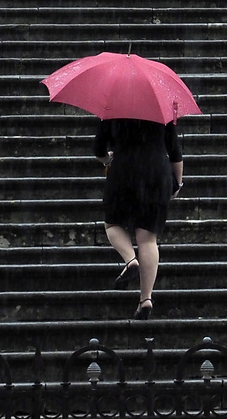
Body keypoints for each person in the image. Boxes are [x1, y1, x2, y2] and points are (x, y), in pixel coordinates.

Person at [96, 117, 183, 320]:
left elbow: (98, 147)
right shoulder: (161, 110)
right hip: (157, 174)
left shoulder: (111, 108)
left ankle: (130, 260)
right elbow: (175, 152)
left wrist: (107, 159)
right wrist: (177, 183)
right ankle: (146, 299)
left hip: (123, 171)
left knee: (112, 224)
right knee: (147, 238)